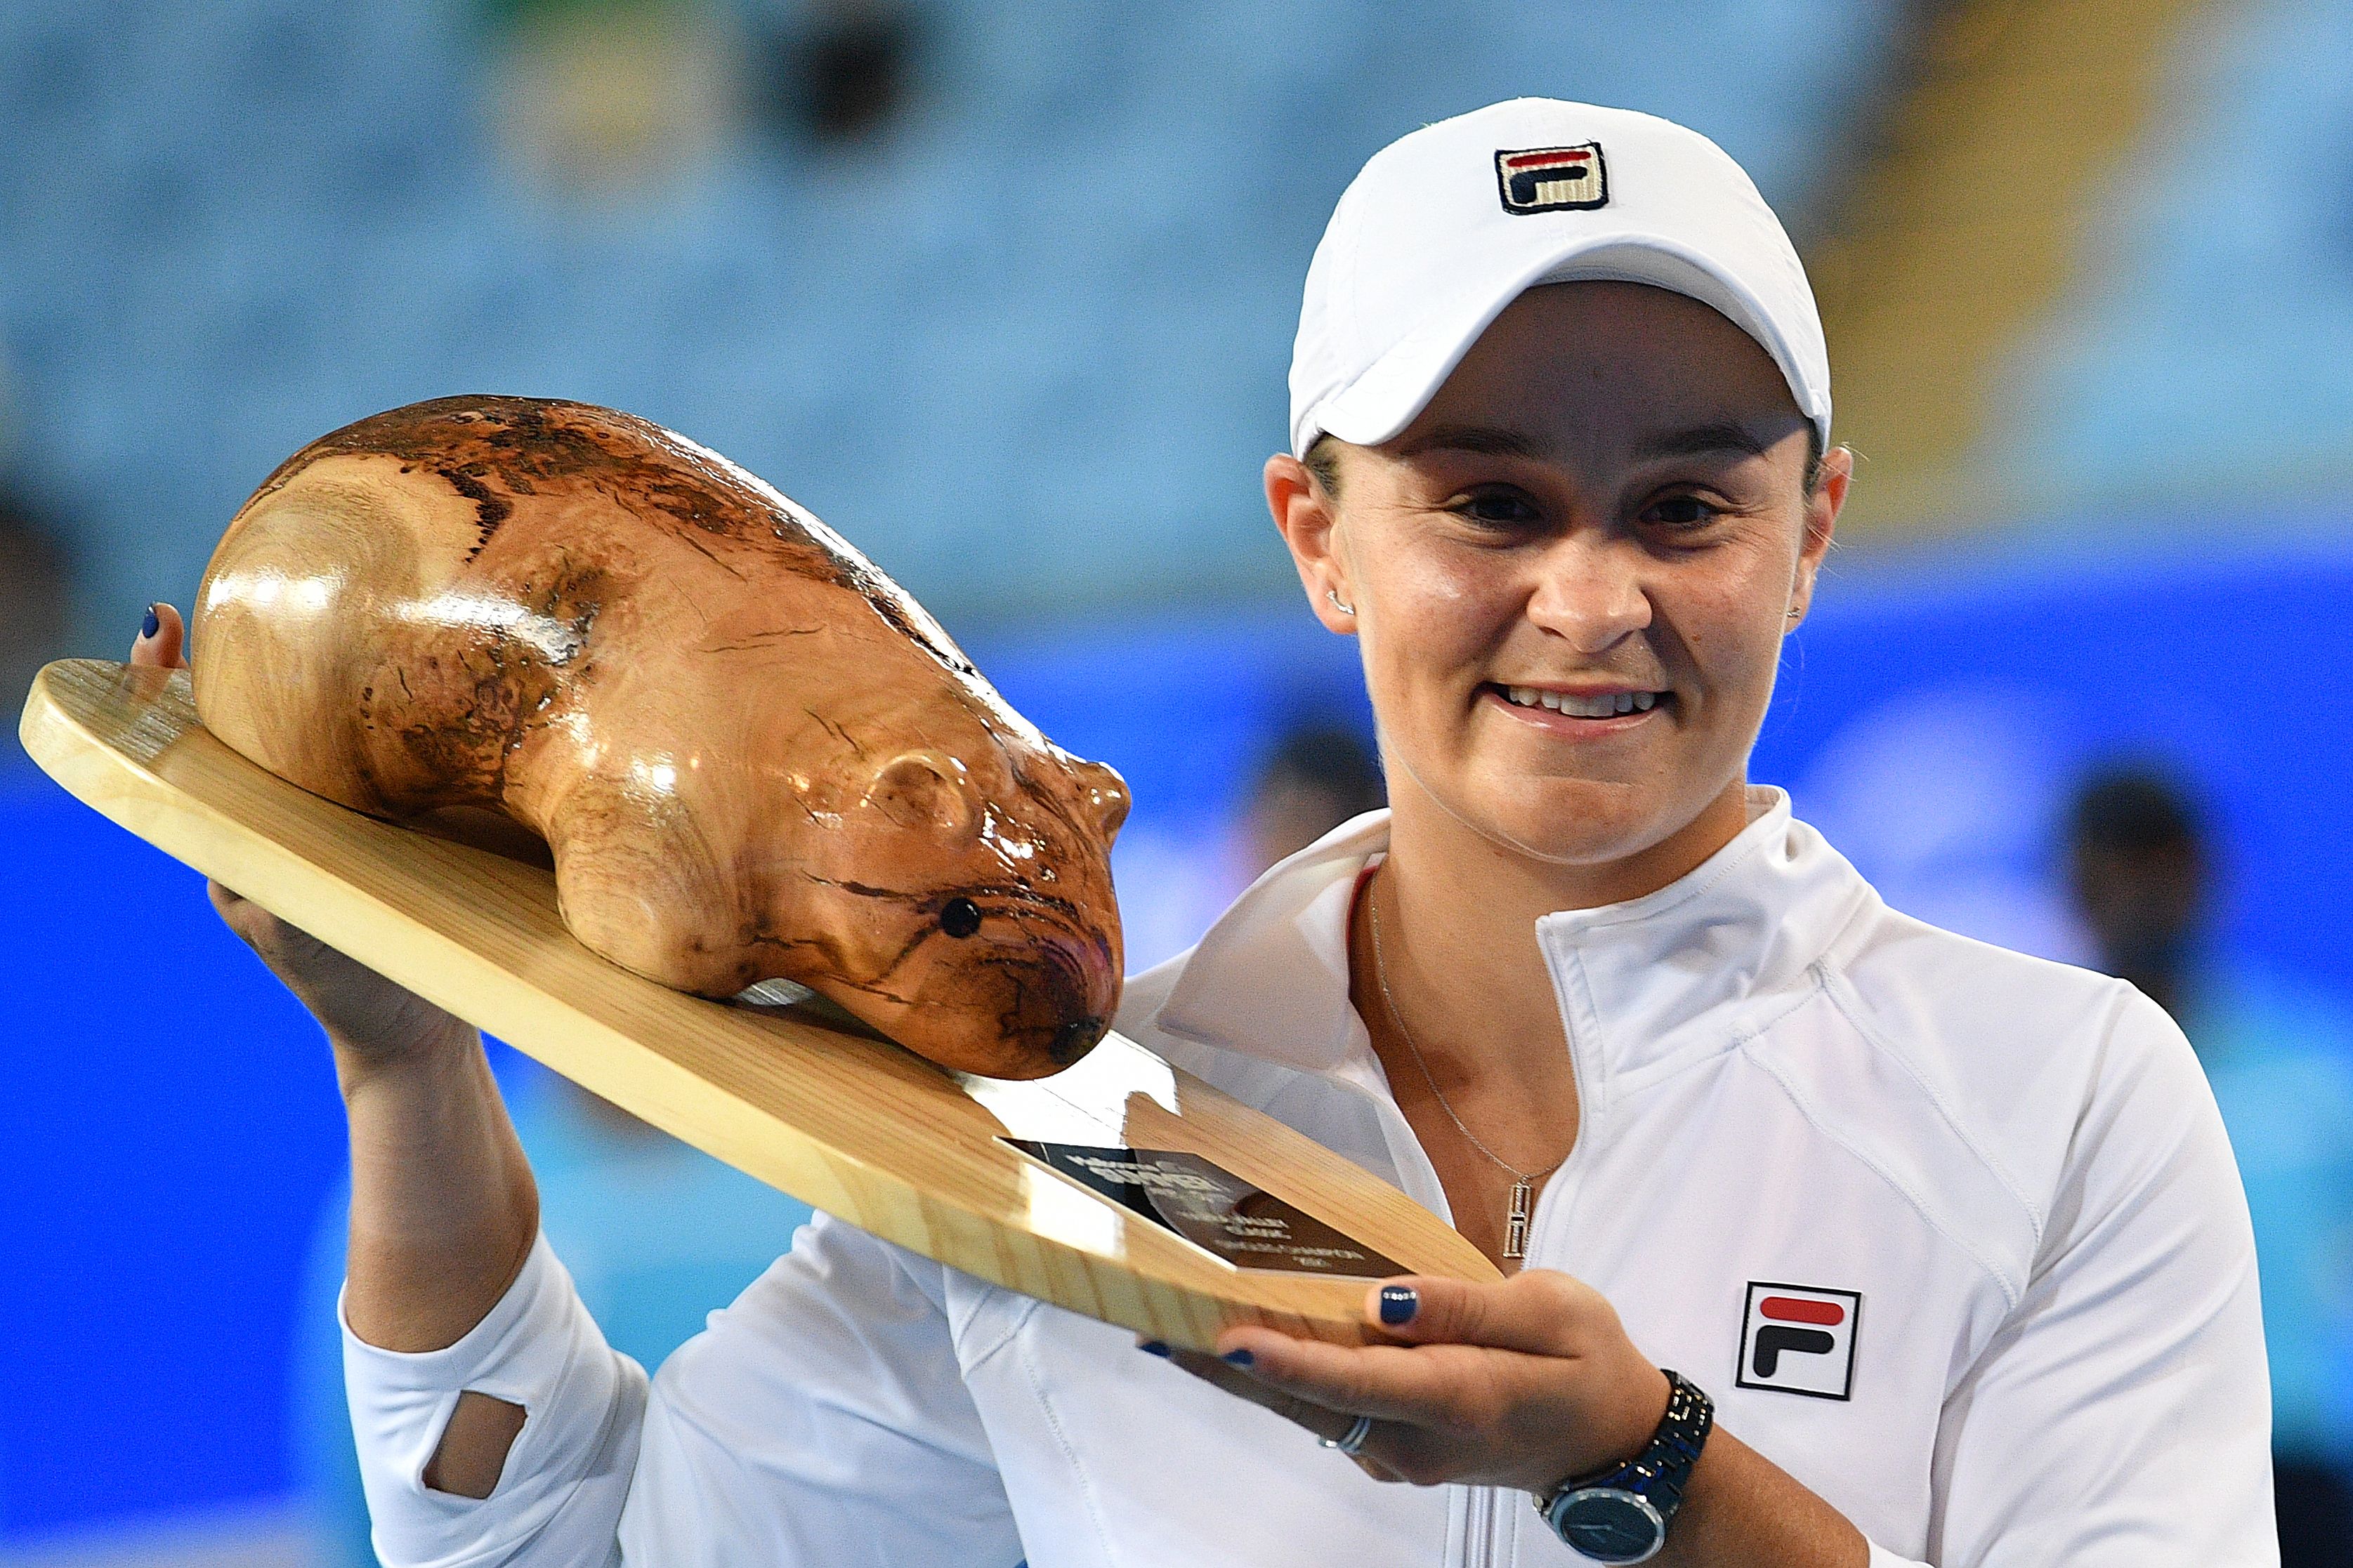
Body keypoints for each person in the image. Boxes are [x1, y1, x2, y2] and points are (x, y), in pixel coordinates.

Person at [133, 98, 2273, 1566]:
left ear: (1812, 534)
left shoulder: (2053, 1101)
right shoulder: (1072, 1140)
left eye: (1689, 503)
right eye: (1487, 500)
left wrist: (1650, 1472)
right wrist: (405, 1064)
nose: (1593, 597)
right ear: (1317, 536)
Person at [2068, 765, 2353, 1567]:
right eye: (2113, 868)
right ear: (2075, 887)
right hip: (2101, 1467)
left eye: (2159, 863)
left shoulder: (2317, 1066)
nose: (2139, 892)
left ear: (2204, 874)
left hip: (2292, 1459)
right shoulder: (2032, 1078)